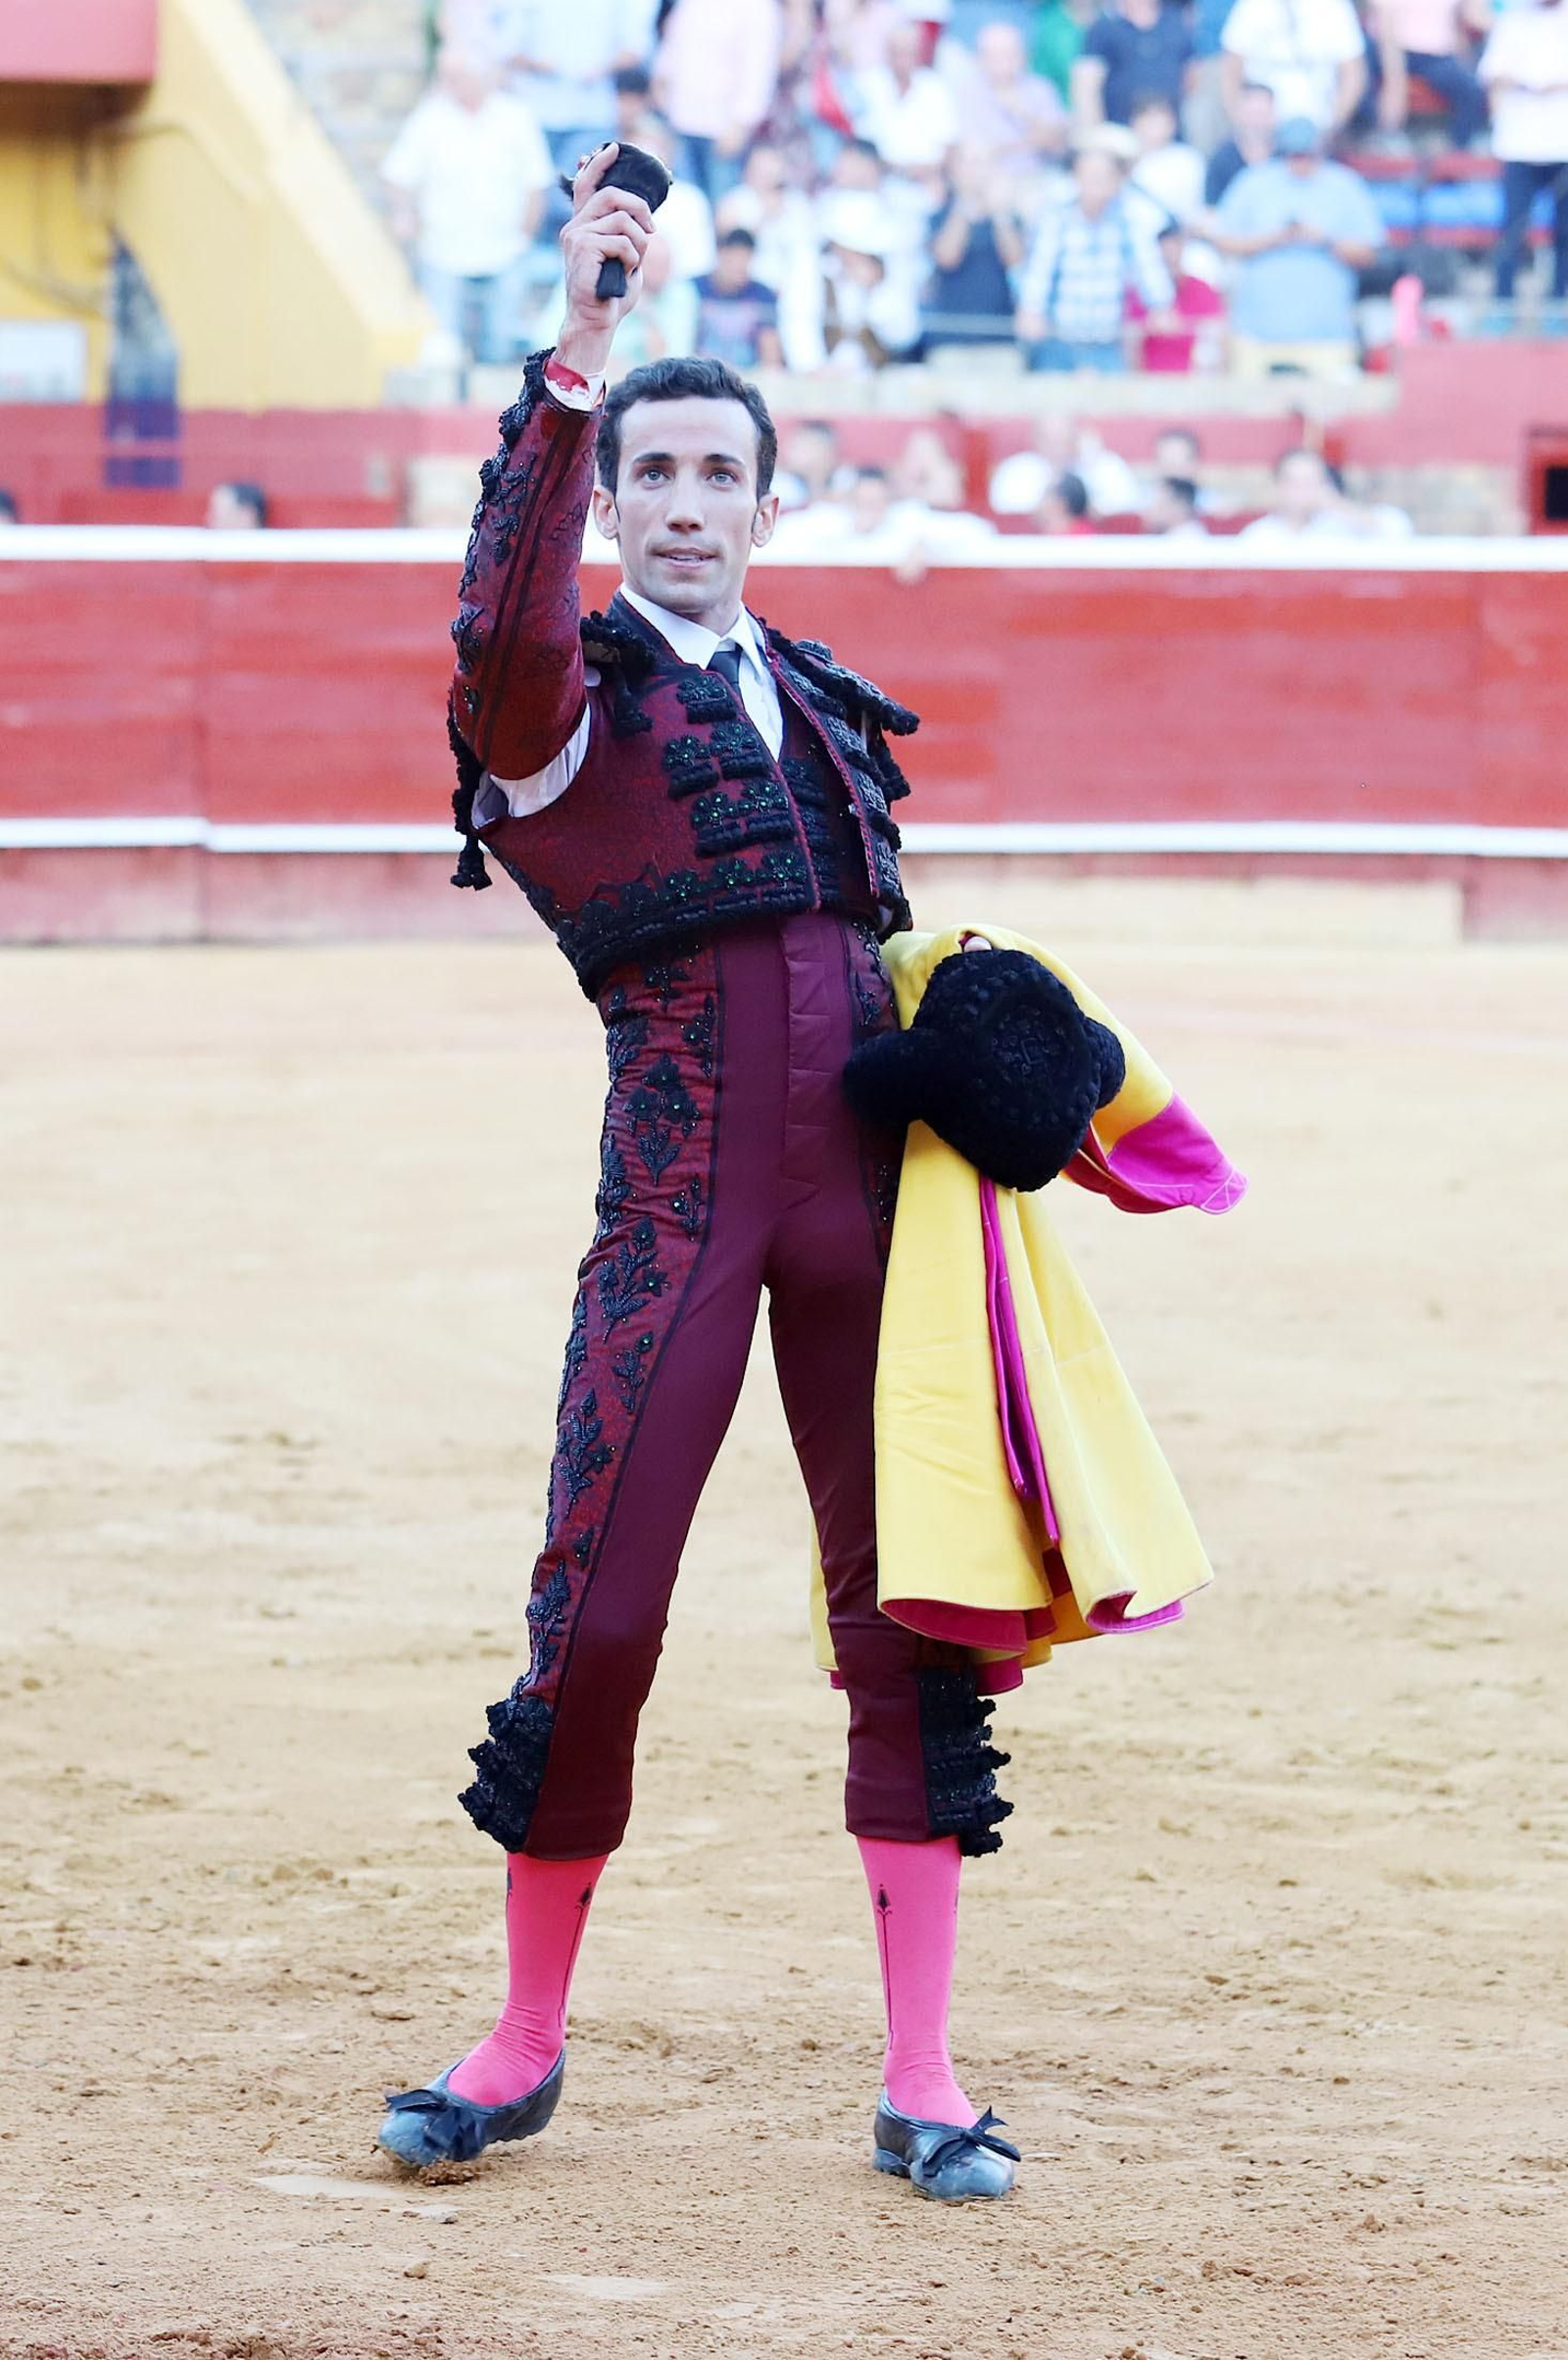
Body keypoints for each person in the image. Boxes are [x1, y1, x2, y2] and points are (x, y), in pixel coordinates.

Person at [378, 141, 1020, 2206]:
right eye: (641, 476)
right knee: (606, 1600)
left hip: (869, 1207)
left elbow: (875, 945)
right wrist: (578, 355)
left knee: (902, 1613)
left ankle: (922, 2075)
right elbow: (496, 614)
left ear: (764, 506)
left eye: (704, 478)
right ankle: (518, 2037)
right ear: (615, 497)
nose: (672, 508)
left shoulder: (824, 711)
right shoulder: (560, 709)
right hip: (675, 1205)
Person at [382, 47, 554, 369]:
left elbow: (536, 183)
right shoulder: (431, 118)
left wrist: (523, 238)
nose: (450, 84)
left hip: (505, 251)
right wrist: (403, 213)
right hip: (442, 252)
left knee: (501, 349)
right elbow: (397, 175)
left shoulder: (515, 117)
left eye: (457, 77)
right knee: (441, 351)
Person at [1210, 116, 1383, 379]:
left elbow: (1368, 253)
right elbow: (1223, 240)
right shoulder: (1254, 182)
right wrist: (1273, 238)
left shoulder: (1345, 186)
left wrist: (1324, 240)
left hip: (1327, 340)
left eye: (1306, 154)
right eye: (1293, 154)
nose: (1299, 162)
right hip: (1257, 339)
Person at [1014, 135, 1176, 371]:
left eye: (1102, 177)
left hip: (1106, 344)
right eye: (1088, 176)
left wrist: (1160, 306)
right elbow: (1040, 270)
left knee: (1112, 407)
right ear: (1076, 177)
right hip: (1059, 342)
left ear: (1115, 181)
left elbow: (1147, 267)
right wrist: (1031, 309)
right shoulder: (1056, 218)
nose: (1094, 184)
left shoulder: (1128, 220)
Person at [490, 0, 660, 175]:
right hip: (539, 113)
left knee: (587, 188)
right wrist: (540, 65)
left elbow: (636, 48)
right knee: (537, 185)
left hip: (592, 116)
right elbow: (505, 47)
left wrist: (600, 69)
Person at [1480, 0, 1568, 305]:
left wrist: (1538, 83)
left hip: (1562, 144)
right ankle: (1503, 303)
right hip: (1519, 142)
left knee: (1565, 233)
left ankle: (1560, 301)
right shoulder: (1513, 20)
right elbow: (1494, 74)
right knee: (1512, 231)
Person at [655, 0, 785, 201]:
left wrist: (742, 123)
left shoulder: (758, 7)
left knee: (721, 205)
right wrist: (661, 83)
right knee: (685, 204)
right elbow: (674, 44)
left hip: (722, 130)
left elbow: (758, 71)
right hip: (680, 122)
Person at [924, 141, 1029, 347]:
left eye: (981, 163)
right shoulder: (939, 216)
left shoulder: (1007, 217)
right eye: (968, 163)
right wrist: (966, 202)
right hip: (951, 337)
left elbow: (1015, 259)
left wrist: (999, 212)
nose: (975, 171)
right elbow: (947, 257)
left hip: (1000, 336)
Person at [1218, 0, 1370, 134]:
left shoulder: (1335, 6)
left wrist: (1334, 122)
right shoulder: (1252, 5)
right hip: (1262, 125)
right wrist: (1239, 121)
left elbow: (1354, 73)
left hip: (1317, 122)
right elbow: (1230, 68)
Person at [1372, 0, 1491, 147]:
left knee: (1472, 91)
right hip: (1398, 53)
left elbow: (1465, 19)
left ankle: (1455, 151)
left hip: (1439, 56)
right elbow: (1386, 29)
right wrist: (1395, 81)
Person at [1238, 444, 1413, 539]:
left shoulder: (1340, 529)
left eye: (1311, 482)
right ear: (1278, 486)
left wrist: (1338, 505)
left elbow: (1397, 530)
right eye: (1295, 483)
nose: (1303, 491)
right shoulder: (1260, 536)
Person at [1072, 0, 1194, 130]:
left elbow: (1191, 77)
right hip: (1120, 134)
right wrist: (1095, 134)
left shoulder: (1176, 23)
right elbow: (1086, 88)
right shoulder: (1103, 29)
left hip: (1169, 135)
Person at [989, 412, 1141, 515]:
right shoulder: (1016, 470)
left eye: (1064, 439)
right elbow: (1006, 510)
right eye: (1050, 439)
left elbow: (1126, 506)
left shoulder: (1106, 465)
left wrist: (1090, 466)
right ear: (1035, 439)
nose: (1057, 446)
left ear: (1076, 438)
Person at [1127, 221, 1228, 369]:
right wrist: (1150, 324)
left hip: (1193, 377)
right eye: (1165, 250)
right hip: (1150, 378)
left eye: (1174, 248)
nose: (1170, 256)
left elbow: (1218, 329)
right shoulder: (1142, 290)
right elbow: (1129, 332)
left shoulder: (1201, 289)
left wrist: (1183, 324)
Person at [694, 227, 786, 366]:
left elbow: (770, 350)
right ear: (721, 254)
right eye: (734, 260)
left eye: (746, 260)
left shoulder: (763, 295)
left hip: (747, 377)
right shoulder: (694, 289)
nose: (740, 267)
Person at [1128, 91, 1207, 225]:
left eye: (1161, 118)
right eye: (1149, 118)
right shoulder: (1121, 157)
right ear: (1134, 122)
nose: (1155, 125)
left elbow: (1193, 209)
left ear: (1173, 124)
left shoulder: (1188, 160)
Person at [1203, 77, 1278, 207]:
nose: (1257, 123)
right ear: (1239, 114)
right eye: (1252, 114)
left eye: (1263, 114)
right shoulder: (1222, 159)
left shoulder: (1287, 156)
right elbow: (1211, 209)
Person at [1144, 473, 1209, 535]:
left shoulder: (1187, 540)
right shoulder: (1170, 536)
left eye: (1159, 504)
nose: (1150, 509)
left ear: (1180, 507)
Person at [1037, 468, 1097, 532]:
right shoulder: (1053, 534)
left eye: (1046, 494)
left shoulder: (1084, 537)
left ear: (1061, 503)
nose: (1041, 503)